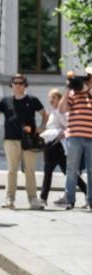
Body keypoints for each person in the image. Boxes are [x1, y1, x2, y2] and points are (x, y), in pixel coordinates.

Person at [0, 74, 48, 210]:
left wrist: (42, 127)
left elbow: (44, 114)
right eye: (15, 83)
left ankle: (33, 199)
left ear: (25, 85)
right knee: (12, 171)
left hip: (29, 140)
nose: (18, 85)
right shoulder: (5, 101)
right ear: (11, 85)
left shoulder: (32, 100)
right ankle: (9, 199)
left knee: (30, 170)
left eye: (21, 83)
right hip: (10, 140)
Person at [41, 88, 87, 206]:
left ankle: (43, 198)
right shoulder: (52, 112)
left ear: (60, 99)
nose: (51, 100)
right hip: (50, 145)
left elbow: (69, 126)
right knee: (64, 172)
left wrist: (62, 133)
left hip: (57, 146)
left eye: (54, 97)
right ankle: (87, 192)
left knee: (50, 171)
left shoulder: (61, 112)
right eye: (50, 98)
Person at [59, 68, 92, 210]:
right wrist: (68, 89)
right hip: (74, 136)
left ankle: (90, 201)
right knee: (71, 169)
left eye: (90, 77)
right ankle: (69, 200)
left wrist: (88, 91)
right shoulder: (73, 93)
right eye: (87, 77)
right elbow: (62, 109)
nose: (87, 80)